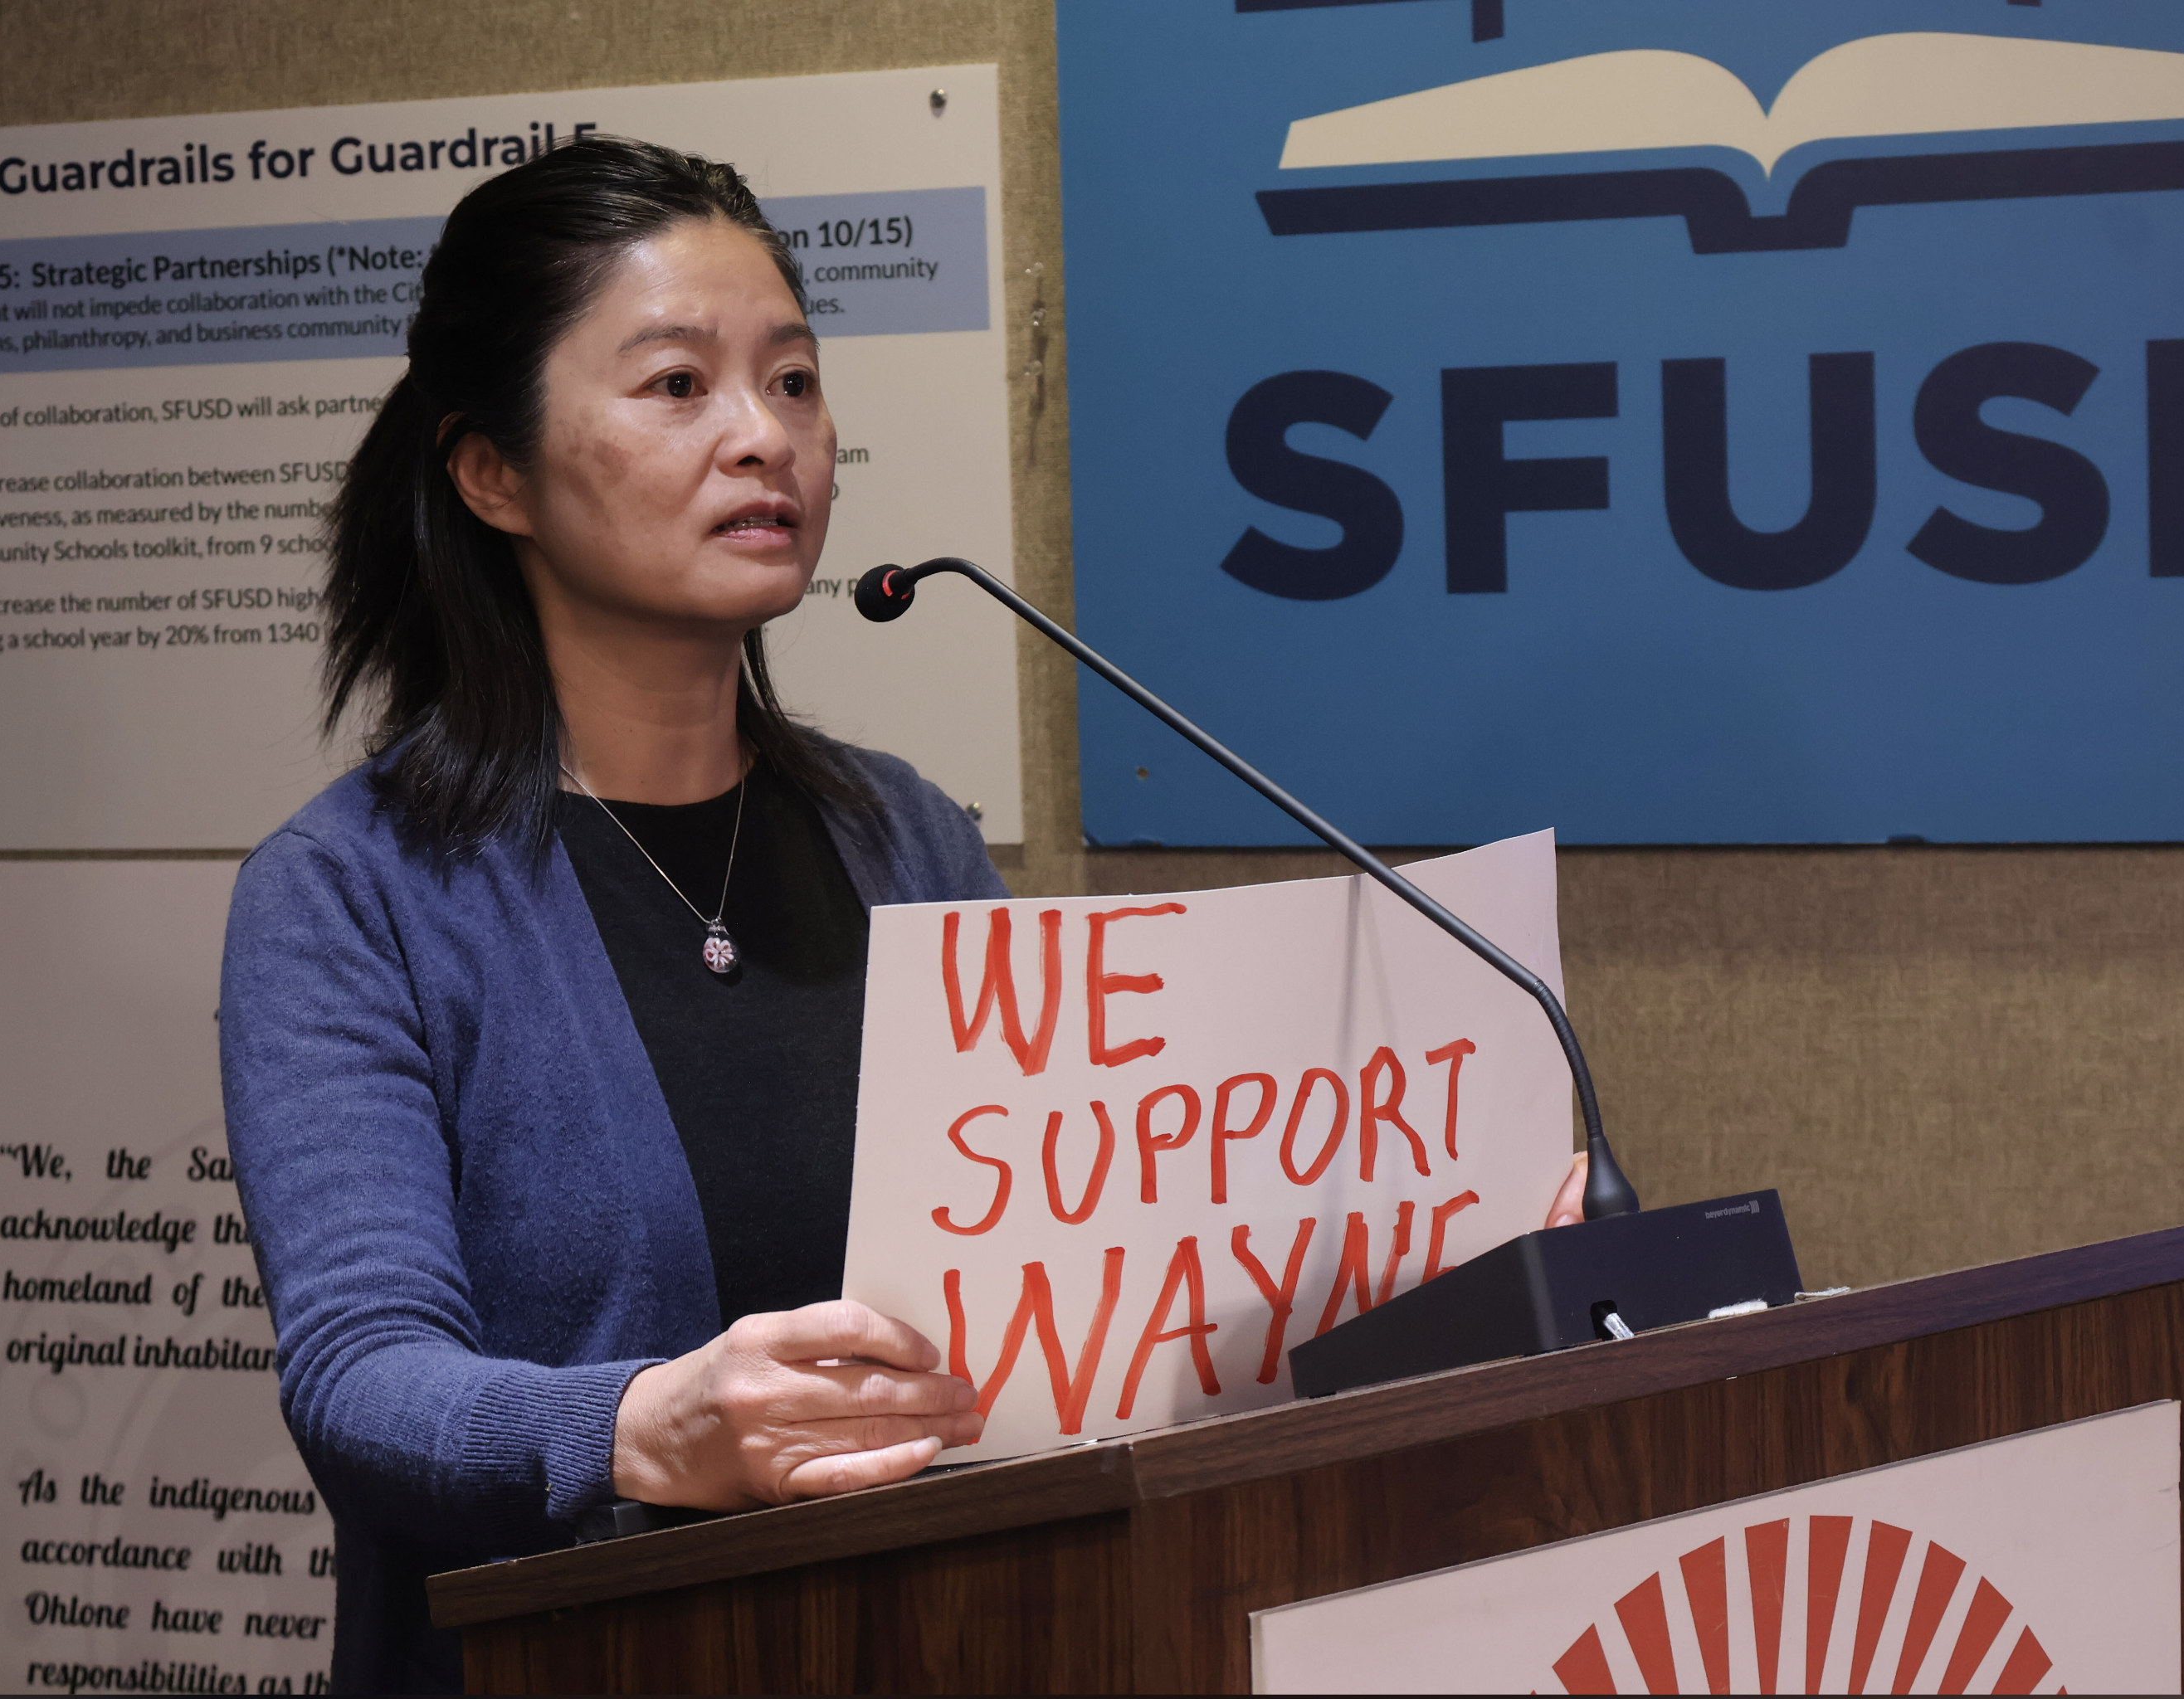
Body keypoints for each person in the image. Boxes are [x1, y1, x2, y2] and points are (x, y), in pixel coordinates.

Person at [221, 135, 1595, 1696]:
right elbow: (361, 1381)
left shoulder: (900, 834)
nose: (766, 439)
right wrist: (639, 1425)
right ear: (492, 472)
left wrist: (1432, 1274)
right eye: (678, 385)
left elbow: (1093, 1298)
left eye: (793, 380)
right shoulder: (353, 894)